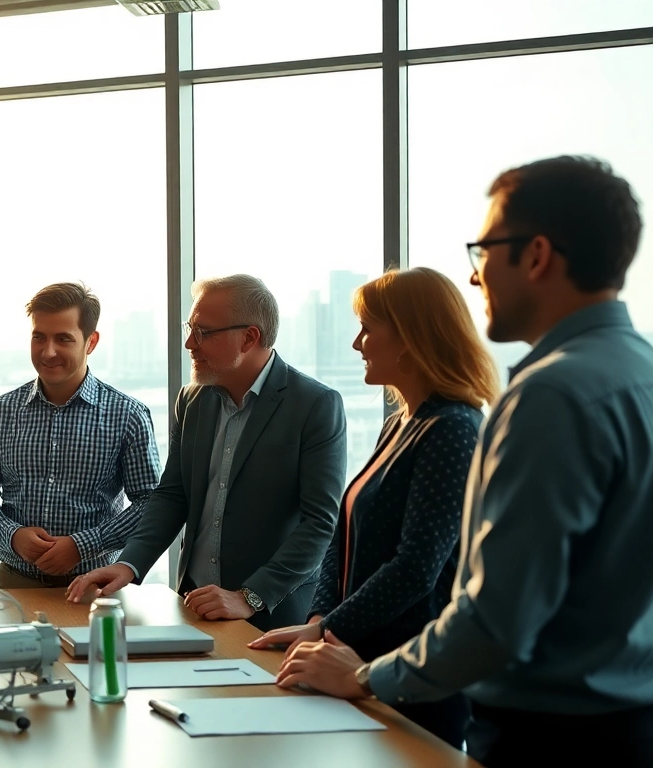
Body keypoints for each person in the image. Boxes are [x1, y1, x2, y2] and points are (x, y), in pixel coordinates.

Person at [276, 156, 653, 766]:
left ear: (535, 256)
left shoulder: (551, 396)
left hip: (552, 739)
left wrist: (368, 677)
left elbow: (496, 616)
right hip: (624, 724)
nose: (475, 279)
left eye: (483, 252)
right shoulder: (640, 372)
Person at [248, 267, 497, 745]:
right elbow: (342, 539)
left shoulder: (452, 429)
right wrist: (319, 622)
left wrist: (329, 631)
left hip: (408, 673)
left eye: (368, 329)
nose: (357, 344)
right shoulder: (401, 423)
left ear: (409, 338)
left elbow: (416, 568)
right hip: (355, 660)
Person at [67, 275, 346, 631]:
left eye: (203, 333)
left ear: (249, 337)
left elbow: (321, 523)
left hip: (272, 615)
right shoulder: (192, 400)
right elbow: (172, 495)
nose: (189, 343)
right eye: (190, 329)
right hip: (193, 605)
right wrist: (130, 565)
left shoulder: (315, 405)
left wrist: (249, 596)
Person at [0, 282, 160, 589]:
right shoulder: (0, 411)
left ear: (90, 342)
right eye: (39, 337)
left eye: (63, 339)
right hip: (13, 582)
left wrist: (83, 545)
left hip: (94, 585)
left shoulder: (128, 415)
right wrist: (11, 535)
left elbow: (150, 503)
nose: (48, 351)